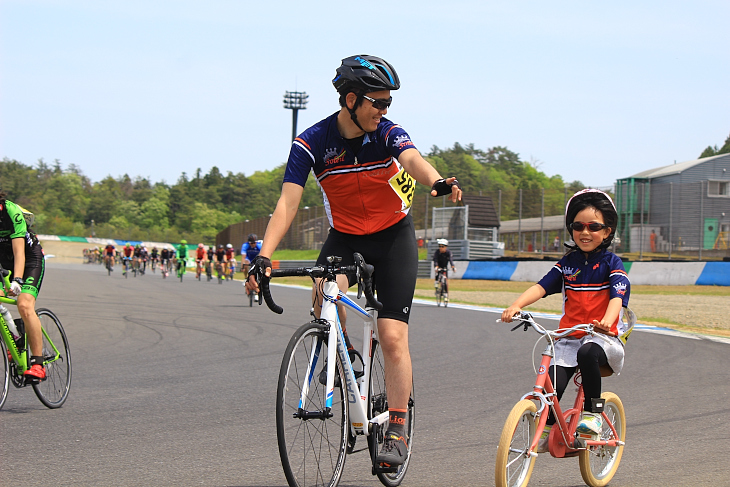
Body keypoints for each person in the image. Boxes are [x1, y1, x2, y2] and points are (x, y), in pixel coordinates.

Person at [246, 55, 462, 469]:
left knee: (393, 334)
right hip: (345, 238)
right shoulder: (311, 142)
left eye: (388, 104)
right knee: (322, 300)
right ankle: (348, 359)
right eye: (377, 103)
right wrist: (266, 255)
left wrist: (435, 181)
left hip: (393, 238)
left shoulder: (385, 133)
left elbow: (413, 158)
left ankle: (396, 427)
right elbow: (288, 201)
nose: (384, 111)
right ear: (350, 100)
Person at [501, 189, 632, 452]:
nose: (585, 232)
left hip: (602, 339)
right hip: (569, 337)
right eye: (578, 226)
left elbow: (618, 297)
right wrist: (516, 304)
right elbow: (541, 287)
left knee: (587, 352)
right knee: (554, 382)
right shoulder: (567, 264)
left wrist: (606, 321)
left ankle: (593, 414)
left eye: (594, 227)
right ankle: (546, 427)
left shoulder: (612, 263)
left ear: (607, 232)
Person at [0, 193, 47, 380]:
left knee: (24, 305)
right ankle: (15, 339)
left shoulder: (11, 211)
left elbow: (20, 253)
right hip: (4, 261)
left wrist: (18, 281)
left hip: (29, 260)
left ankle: (38, 364)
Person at [432, 238, 455, 304]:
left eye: (442, 246)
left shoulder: (448, 252)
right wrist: (436, 266)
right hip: (438, 266)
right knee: (438, 274)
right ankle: (436, 283)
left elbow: (451, 260)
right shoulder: (437, 252)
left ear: (446, 247)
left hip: (444, 267)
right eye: (440, 246)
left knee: (445, 281)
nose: (441, 248)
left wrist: (453, 267)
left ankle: (446, 294)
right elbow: (435, 260)